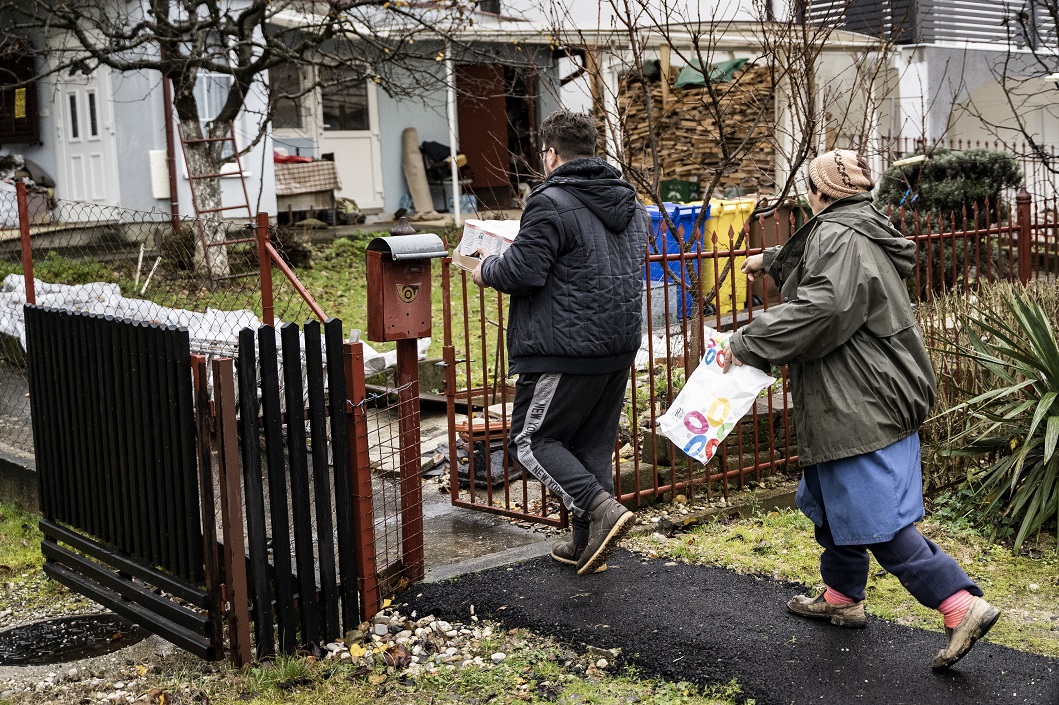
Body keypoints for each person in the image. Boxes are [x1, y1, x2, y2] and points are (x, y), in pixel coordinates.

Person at [724, 149, 1000, 670]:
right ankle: (842, 597)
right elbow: (819, 261)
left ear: (818, 193)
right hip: (860, 391)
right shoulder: (856, 225)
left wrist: (748, 341)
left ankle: (960, 604)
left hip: (860, 398)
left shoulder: (839, 235)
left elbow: (824, 305)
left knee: (876, 519)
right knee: (831, 499)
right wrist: (770, 259)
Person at [471, 110, 649, 576]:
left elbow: (524, 271)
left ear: (550, 154)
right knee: (591, 444)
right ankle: (588, 546)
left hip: (564, 347)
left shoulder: (549, 201)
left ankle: (600, 508)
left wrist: (484, 268)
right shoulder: (630, 202)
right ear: (592, 149)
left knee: (531, 441)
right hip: (618, 344)